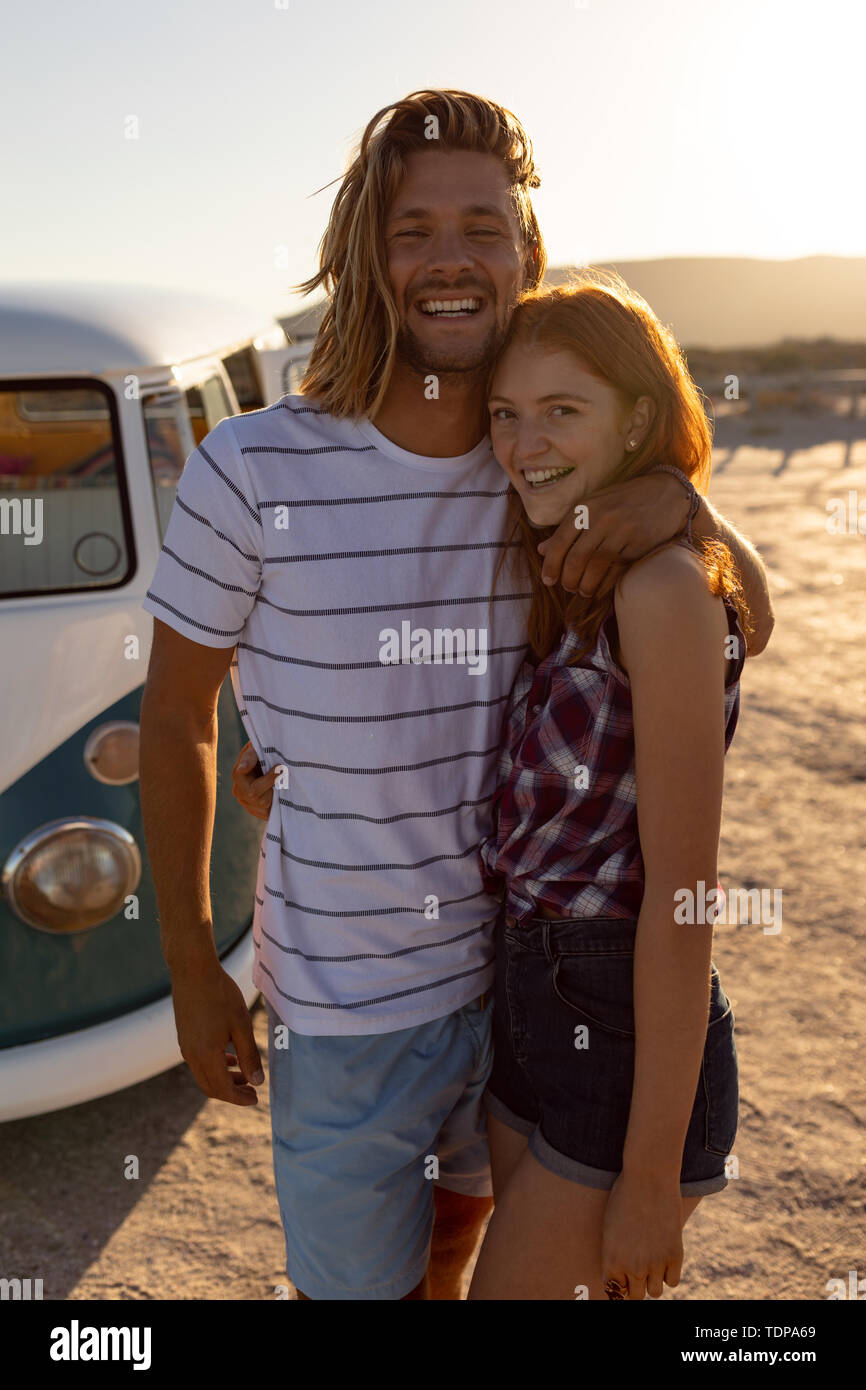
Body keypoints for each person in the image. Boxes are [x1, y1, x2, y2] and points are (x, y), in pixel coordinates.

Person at [140, 90, 774, 1302]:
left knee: (457, 1267)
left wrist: (678, 504)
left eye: (481, 227)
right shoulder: (248, 467)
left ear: (524, 252)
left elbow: (749, 611)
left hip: (520, 1000)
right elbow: (173, 718)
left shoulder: (532, 467)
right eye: (411, 228)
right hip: (344, 1015)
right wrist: (187, 957)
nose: (449, 260)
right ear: (361, 258)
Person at [459, 275, 745, 1300]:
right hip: (528, 998)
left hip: (622, 1028)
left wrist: (650, 1178)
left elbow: (683, 900)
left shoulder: (661, 587)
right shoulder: (569, 570)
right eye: (505, 413)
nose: (523, 441)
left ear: (636, 415)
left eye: (561, 411)